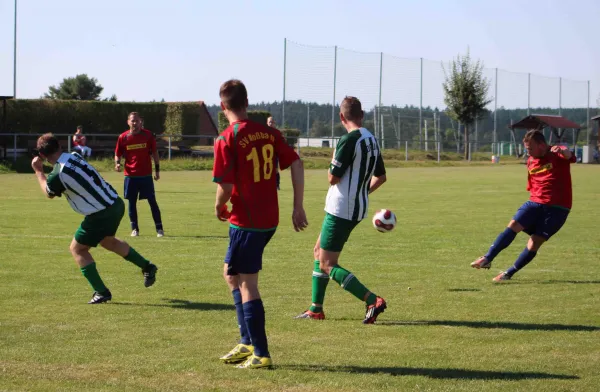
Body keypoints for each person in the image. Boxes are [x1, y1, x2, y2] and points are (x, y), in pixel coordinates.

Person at [213, 79, 308, 369]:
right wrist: (297, 206)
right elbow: (297, 163)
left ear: (222, 106)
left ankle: (261, 353)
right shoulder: (268, 132)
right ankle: (246, 342)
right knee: (231, 274)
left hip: (246, 222)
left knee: (247, 283)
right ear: (247, 102)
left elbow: (226, 186)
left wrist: (219, 205)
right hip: (269, 219)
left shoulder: (226, 138)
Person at [30, 133, 158, 304]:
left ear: (43, 155)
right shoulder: (75, 156)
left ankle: (101, 291)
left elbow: (49, 192)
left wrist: (39, 171)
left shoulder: (57, 174)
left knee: (78, 249)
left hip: (100, 213)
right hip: (115, 203)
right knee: (107, 241)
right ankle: (147, 266)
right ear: (60, 146)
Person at [295, 96, 388, 324]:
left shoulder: (348, 140)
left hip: (340, 209)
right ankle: (315, 309)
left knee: (327, 263)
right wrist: (362, 193)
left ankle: (371, 299)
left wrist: (334, 158)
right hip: (356, 208)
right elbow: (381, 177)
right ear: (362, 115)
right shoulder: (371, 139)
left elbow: (332, 178)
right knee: (319, 251)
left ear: (341, 117)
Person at [471, 129, 575, 282]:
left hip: (557, 208)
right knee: (513, 225)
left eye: (530, 148)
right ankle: (487, 258)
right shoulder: (531, 160)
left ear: (541, 145)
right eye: (527, 148)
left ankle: (508, 274)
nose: (528, 152)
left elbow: (569, 156)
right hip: (534, 202)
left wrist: (565, 150)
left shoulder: (556, 153)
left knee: (534, 242)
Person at [114, 112, 164, 237]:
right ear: (128, 122)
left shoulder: (148, 135)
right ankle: (134, 229)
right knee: (131, 202)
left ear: (141, 122)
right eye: (132, 121)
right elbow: (117, 153)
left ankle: (159, 229)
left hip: (145, 175)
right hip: (130, 176)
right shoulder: (123, 137)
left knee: (152, 201)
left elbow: (155, 154)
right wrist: (117, 163)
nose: (135, 123)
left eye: (137, 121)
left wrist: (157, 171)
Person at [266, 116, 282, 190]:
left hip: (274, 154)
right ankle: (266, 184)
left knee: (275, 170)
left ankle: (277, 185)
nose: (271, 123)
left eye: (272, 122)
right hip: (266, 154)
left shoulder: (277, 133)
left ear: (274, 123)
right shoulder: (264, 133)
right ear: (267, 123)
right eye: (269, 122)